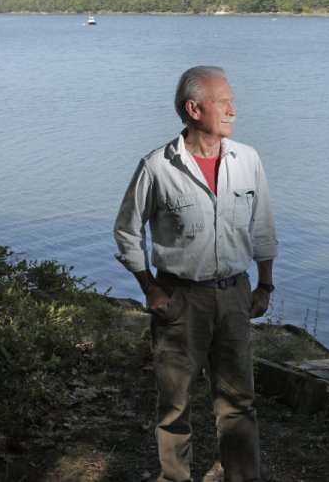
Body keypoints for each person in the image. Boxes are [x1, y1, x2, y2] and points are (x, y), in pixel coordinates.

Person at [114, 65, 278, 482]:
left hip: (235, 295)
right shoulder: (157, 167)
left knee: (239, 401)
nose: (233, 110)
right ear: (193, 108)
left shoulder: (248, 160)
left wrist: (264, 284)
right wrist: (149, 287)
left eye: (231, 102)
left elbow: (262, 228)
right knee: (174, 406)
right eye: (223, 102)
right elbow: (127, 232)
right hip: (180, 300)